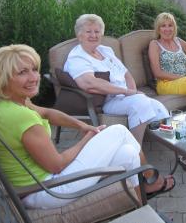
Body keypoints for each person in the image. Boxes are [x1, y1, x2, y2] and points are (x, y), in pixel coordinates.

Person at [0, 44, 174, 209]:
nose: (33, 77)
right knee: (118, 131)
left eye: (34, 69)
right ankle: (151, 179)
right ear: (4, 77)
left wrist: (82, 126)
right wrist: (87, 138)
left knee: (128, 153)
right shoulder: (20, 117)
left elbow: (48, 113)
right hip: (48, 190)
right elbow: (57, 165)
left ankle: (140, 211)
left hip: (45, 182)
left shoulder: (8, 103)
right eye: (22, 72)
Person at [64, 14, 170, 146]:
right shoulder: (77, 57)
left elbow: (126, 74)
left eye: (97, 31)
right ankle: (134, 151)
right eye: (88, 31)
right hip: (109, 101)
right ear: (79, 35)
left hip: (125, 96)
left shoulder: (105, 51)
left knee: (159, 108)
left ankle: (177, 149)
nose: (93, 35)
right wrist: (127, 92)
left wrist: (133, 92)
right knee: (141, 104)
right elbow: (89, 83)